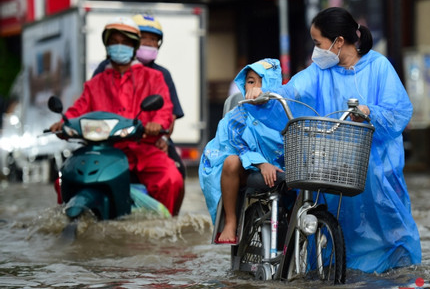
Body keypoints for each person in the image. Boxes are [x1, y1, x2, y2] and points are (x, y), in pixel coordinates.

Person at [244, 7, 421, 273]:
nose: (316, 50)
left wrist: (370, 112)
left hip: (376, 171)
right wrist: (263, 94)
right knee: (331, 224)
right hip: (331, 165)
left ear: (339, 41)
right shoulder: (318, 72)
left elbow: (399, 112)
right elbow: (290, 92)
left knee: (391, 235)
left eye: (318, 43)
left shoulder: (379, 67)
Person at [49, 16, 183, 216]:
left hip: (143, 149)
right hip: (103, 151)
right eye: (114, 42)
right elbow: (78, 110)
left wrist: (156, 124)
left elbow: (164, 111)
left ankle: (165, 229)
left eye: (125, 43)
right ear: (106, 46)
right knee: (64, 178)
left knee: (171, 179)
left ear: (133, 47)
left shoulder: (154, 78)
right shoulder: (95, 83)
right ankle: (66, 216)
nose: (119, 47)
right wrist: (63, 123)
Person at [93, 14, 186, 215]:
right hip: (110, 143)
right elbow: (86, 107)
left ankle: (169, 219)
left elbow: (168, 113)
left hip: (148, 141)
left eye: (154, 40)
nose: (149, 43)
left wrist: (162, 134)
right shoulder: (104, 72)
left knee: (175, 173)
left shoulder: (159, 75)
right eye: (145, 38)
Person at [199, 58, 284, 243]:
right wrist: (262, 164)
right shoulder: (237, 115)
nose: (256, 88)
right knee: (231, 161)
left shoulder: (285, 111)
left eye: (262, 82)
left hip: (279, 169)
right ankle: (230, 221)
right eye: (251, 81)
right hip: (243, 169)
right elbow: (236, 146)